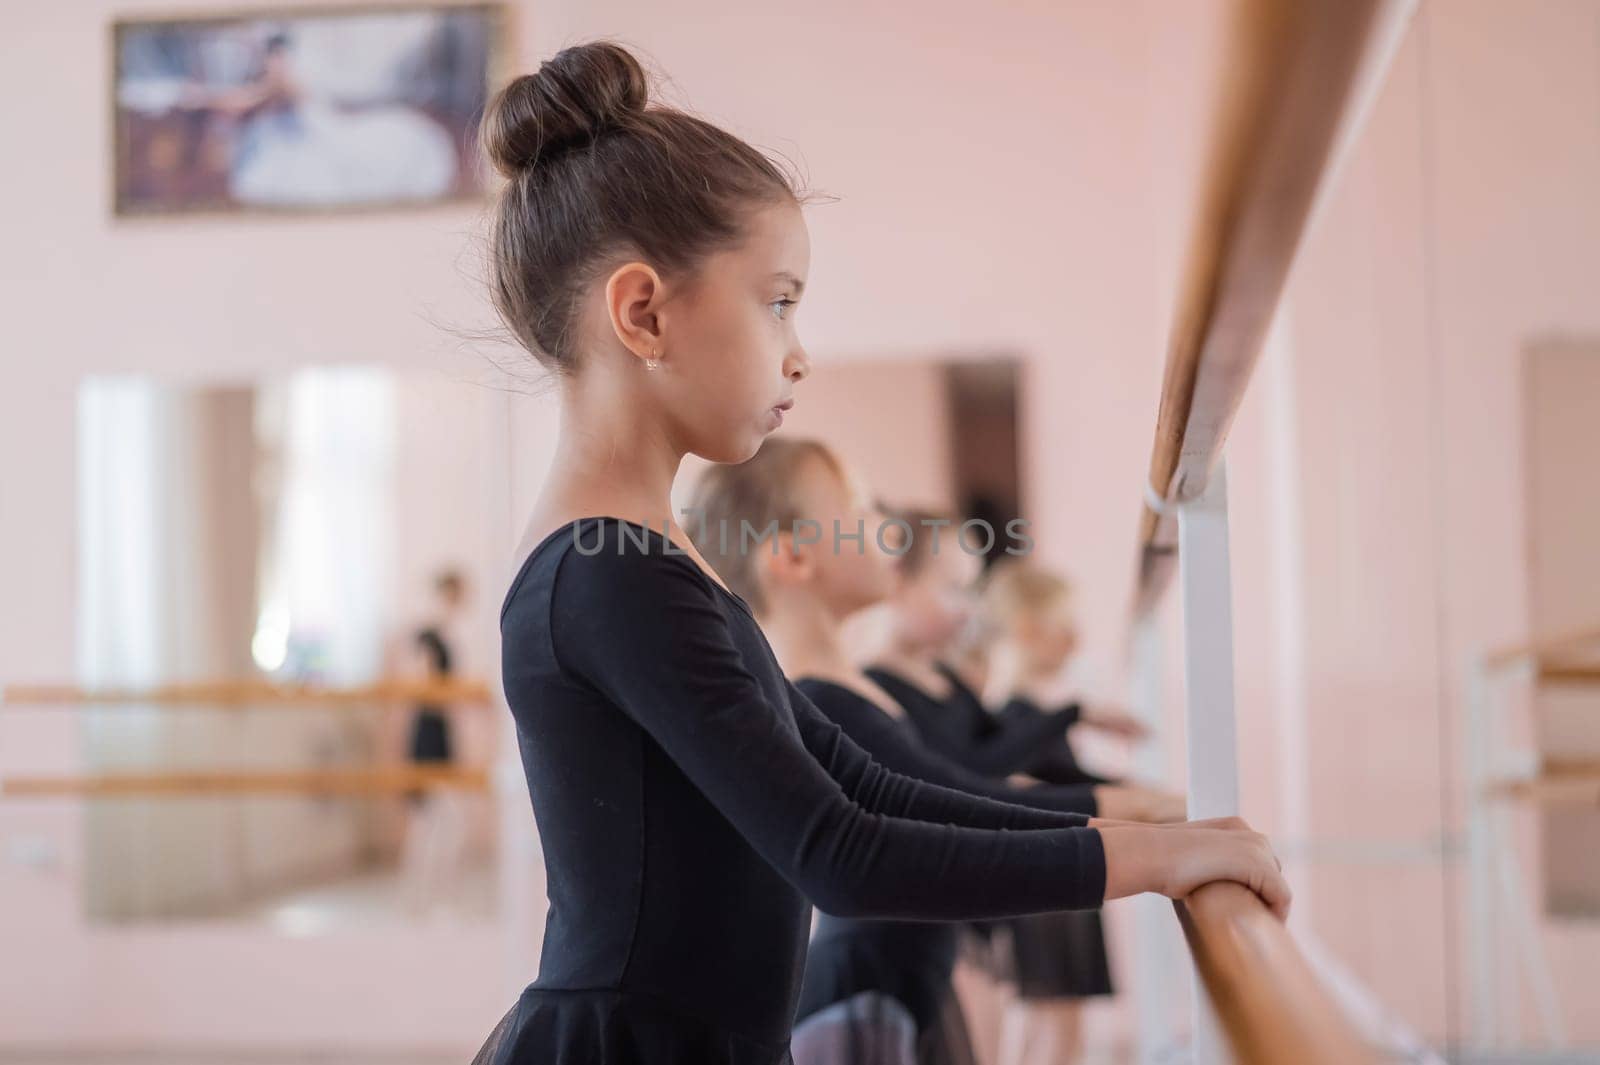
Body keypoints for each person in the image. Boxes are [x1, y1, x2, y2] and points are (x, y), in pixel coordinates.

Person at [472, 41, 1287, 1065]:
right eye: (776, 300)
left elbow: (868, 787)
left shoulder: (642, 564)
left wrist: (1133, 838)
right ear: (642, 313)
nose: (799, 350)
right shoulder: (607, 574)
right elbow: (844, 856)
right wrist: (1157, 857)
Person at [685, 437, 1191, 1065]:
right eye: (859, 509)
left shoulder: (847, 688)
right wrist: (1149, 830)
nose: (886, 529)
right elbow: (960, 796)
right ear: (791, 556)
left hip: (902, 980)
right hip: (864, 994)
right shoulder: (817, 698)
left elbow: (953, 790)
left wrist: (1145, 817)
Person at [398, 567, 472, 917]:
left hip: (440, 734)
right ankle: (421, 899)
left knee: (440, 822)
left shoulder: (443, 637)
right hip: (428, 736)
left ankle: (431, 898)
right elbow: (424, 686)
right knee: (432, 821)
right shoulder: (427, 637)